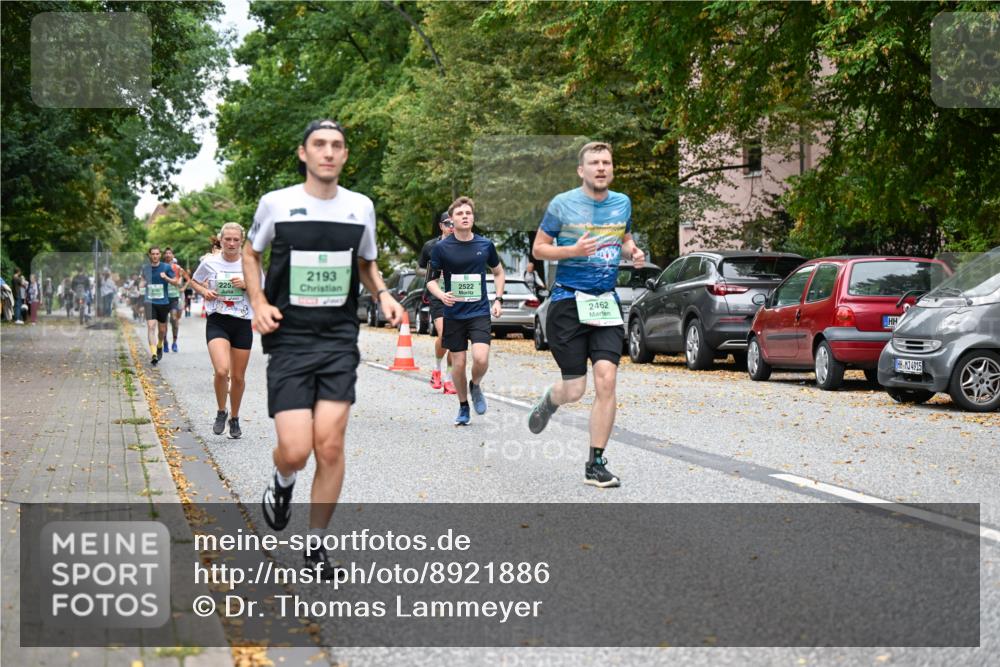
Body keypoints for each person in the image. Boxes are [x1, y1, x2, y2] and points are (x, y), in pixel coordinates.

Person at [243, 119, 403, 577]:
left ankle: (316, 546)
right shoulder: (277, 204)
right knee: (295, 449)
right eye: (319, 145)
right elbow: (253, 254)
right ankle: (282, 479)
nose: (328, 152)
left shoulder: (360, 208)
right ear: (303, 153)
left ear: (345, 155)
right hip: (289, 337)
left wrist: (384, 294)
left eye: (336, 146)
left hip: (337, 338)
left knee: (329, 445)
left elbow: (367, 265)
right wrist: (258, 301)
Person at [527, 141, 645, 488]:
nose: (601, 167)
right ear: (582, 170)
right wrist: (573, 250)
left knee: (606, 378)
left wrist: (633, 250)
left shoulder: (622, 202)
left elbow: (624, 237)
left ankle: (595, 463)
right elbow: (538, 248)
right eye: (594, 162)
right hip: (567, 302)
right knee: (575, 389)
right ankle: (551, 400)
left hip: (604, 302)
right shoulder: (562, 204)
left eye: (606, 162)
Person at [425, 196, 505, 426]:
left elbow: (498, 272)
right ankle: (463, 406)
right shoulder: (441, 248)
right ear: (452, 220)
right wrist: (441, 295)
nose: (465, 217)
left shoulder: (485, 245)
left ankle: (476, 384)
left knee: (481, 358)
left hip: (478, 311)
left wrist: (498, 299)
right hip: (453, 313)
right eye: (460, 214)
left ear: (473, 217)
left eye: (468, 213)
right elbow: (431, 281)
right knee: (458, 364)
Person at [191, 222, 258, 439]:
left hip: (242, 322)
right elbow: (194, 281)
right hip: (218, 320)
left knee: (238, 377)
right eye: (227, 239)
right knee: (222, 370)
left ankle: (235, 418)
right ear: (220, 240)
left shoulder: (250, 263)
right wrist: (204, 292)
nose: (231, 243)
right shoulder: (210, 262)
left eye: (235, 239)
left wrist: (247, 285)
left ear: (241, 241)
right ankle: (221, 411)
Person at [417, 211, 457, 393]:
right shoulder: (430, 246)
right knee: (445, 335)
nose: (452, 227)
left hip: (457, 294)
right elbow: (419, 269)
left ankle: (449, 379)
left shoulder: (463, 245)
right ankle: (436, 369)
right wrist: (431, 274)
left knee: (455, 339)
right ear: (441, 226)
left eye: (454, 223)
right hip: (438, 295)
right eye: (448, 223)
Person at [140, 247, 178, 365]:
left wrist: (166, 277)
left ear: (160, 255)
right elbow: (141, 282)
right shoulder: (145, 268)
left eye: (157, 254)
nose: (155, 256)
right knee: (151, 327)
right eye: (153, 254)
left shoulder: (166, 267)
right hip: (149, 301)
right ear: (149, 255)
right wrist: (141, 284)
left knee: (162, 330)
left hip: (163, 302)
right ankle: (154, 354)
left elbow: (176, 281)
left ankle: (160, 344)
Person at [162, 247, 190, 352]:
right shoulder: (160, 267)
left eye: (170, 253)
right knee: (163, 322)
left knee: (174, 319)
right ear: (164, 256)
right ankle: (165, 343)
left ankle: (174, 343)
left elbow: (188, 279)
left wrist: (183, 288)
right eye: (166, 253)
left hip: (174, 297)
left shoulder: (177, 268)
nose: (168, 255)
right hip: (163, 297)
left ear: (173, 256)